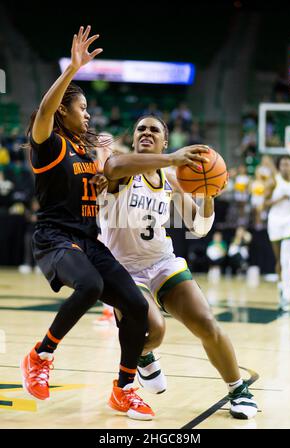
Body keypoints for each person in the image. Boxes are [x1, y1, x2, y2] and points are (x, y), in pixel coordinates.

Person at [19, 26, 192, 421]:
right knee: (91, 285)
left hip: (87, 238)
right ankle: (40, 354)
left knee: (136, 306)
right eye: (82, 109)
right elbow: (46, 111)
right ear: (64, 109)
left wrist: (101, 175)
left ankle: (124, 388)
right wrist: (72, 71)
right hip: (55, 238)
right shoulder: (51, 142)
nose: (89, 114)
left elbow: (110, 165)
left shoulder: (87, 147)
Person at [96, 115, 258, 419]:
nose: (146, 132)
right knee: (153, 331)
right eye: (140, 129)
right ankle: (144, 354)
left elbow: (198, 227)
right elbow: (113, 168)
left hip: (161, 261)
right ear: (133, 140)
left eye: (154, 130)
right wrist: (172, 158)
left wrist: (208, 197)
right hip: (121, 269)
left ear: (164, 141)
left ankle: (238, 388)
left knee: (205, 322)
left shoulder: (171, 179)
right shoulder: (121, 166)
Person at [264, 155, 290, 312]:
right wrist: (280, 199)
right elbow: (264, 204)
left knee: (287, 260)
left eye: (288, 164)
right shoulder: (273, 181)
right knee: (279, 260)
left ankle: (286, 296)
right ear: (279, 167)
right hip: (275, 222)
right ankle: (281, 285)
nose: (285, 167)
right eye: (283, 164)